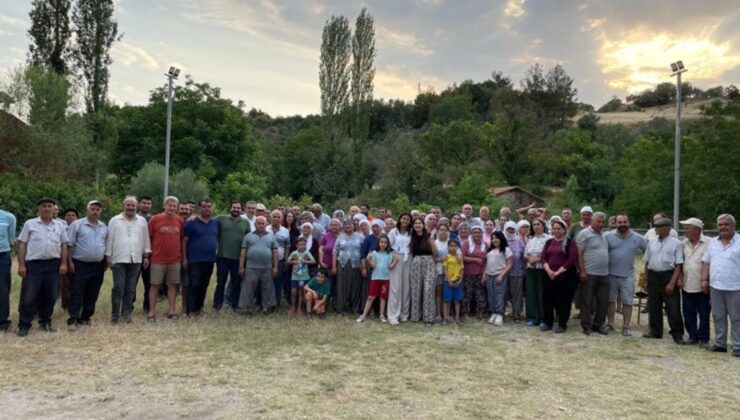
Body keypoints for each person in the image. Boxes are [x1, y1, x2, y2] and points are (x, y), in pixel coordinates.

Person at [16, 198, 69, 336]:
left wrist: (63, 263)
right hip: (34, 265)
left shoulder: (60, 226)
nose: (47, 209)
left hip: (53, 265)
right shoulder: (30, 224)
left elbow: (64, 245)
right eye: (44, 206)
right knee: (29, 296)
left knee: (50, 296)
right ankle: (24, 325)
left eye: (50, 206)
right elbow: (22, 244)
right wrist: (21, 265)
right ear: (38, 209)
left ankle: (45, 322)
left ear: (54, 209)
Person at [107, 196, 151, 324]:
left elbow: (145, 239)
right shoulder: (115, 220)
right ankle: (115, 316)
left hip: (136, 259)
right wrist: (108, 256)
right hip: (119, 259)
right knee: (118, 288)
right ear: (123, 206)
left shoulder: (142, 221)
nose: (130, 207)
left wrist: (146, 255)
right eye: (128, 205)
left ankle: (126, 315)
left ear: (136, 207)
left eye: (133, 205)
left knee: (131, 289)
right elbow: (109, 239)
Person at [701, 214, 740, 357]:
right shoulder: (712, 243)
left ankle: (738, 346)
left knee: (737, 318)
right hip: (715, 286)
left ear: (733, 226)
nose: (723, 227)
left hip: (736, 287)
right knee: (718, 316)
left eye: (726, 224)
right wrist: (704, 279)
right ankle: (720, 343)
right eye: (720, 225)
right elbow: (706, 262)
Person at [66, 200, 108, 328]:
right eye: (93, 209)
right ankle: (73, 318)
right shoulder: (77, 225)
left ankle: (86, 317)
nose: (95, 211)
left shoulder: (103, 226)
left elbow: (105, 245)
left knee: (93, 292)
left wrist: (105, 261)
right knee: (77, 291)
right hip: (80, 264)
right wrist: (69, 262)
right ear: (87, 210)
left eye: (98, 209)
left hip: (98, 265)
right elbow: (69, 245)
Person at [643, 217, 685, 344]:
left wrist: (672, 283)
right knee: (653, 306)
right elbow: (647, 261)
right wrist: (645, 279)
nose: (655, 229)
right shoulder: (651, 242)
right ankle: (655, 331)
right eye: (655, 226)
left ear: (667, 228)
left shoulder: (677, 244)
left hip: (668, 275)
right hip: (653, 275)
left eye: (658, 227)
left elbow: (678, 264)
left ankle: (677, 334)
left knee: (673, 308)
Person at [604, 213, 647, 337]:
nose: (622, 224)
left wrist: (646, 272)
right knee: (610, 301)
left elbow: (648, 251)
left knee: (627, 302)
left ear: (629, 222)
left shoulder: (638, 238)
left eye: (625, 222)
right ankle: (610, 324)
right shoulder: (607, 236)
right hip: (610, 274)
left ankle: (626, 327)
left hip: (628, 275)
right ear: (615, 223)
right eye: (620, 222)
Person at [147, 196, 184, 322]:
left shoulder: (180, 220)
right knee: (155, 285)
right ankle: (151, 312)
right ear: (164, 205)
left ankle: (171, 311)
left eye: (174, 206)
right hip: (157, 259)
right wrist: (148, 255)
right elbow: (148, 237)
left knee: (173, 285)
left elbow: (181, 238)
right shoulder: (155, 219)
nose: (172, 208)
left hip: (175, 259)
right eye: (170, 205)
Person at [541, 219, 579, 333]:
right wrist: (549, 271)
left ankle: (562, 324)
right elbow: (543, 258)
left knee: (564, 301)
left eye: (559, 229)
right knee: (547, 300)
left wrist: (557, 272)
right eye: (554, 229)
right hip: (549, 276)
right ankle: (548, 322)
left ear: (564, 230)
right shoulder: (549, 242)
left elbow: (571, 259)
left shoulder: (570, 243)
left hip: (565, 277)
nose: (556, 231)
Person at [576, 212, 610, 336]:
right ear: (592, 221)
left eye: (602, 222)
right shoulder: (584, 234)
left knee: (603, 301)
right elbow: (579, 254)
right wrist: (582, 271)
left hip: (604, 273)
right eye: (598, 222)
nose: (601, 224)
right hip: (589, 273)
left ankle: (598, 325)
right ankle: (586, 325)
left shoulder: (603, 235)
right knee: (587, 300)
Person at [183, 199, 219, 316]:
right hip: (194, 260)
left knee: (204, 285)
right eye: (204, 206)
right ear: (199, 208)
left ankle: (199, 308)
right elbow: (185, 241)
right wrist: (185, 258)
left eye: (209, 206)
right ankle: (190, 310)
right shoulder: (191, 223)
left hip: (209, 260)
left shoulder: (215, 223)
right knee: (194, 284)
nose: (207, 208)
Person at [213, 201, 250, 311]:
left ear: (241, 210)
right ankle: (217, 305)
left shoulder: (245, 222)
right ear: (230, 208)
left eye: (238, 208)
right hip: (222, 257)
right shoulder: (221, 219)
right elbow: (207, 220)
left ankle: (235, 304)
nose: (236, 209)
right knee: (221, 282)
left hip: (238, 258)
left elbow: (248, 239)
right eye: (234, 207)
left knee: (236, 283)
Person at [238, 216, 278, 315]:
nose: (261, 225)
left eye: (262, 223)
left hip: (267, 267)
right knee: (248, 288)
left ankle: (266, 307)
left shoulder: (271, 237)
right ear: (255, 224)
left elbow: (275, 254)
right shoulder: (248, 236)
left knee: (267, 288)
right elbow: (243, 252)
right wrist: (241, 266)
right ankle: (245, 308)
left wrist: (275, 267)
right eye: (259, 223)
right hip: (251, 266)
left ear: (266, 224)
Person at [679, 217, 710, 346]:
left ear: (697, 230)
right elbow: (680, 262)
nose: (684, 230)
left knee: (704, 313)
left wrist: (706, 280)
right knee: (688, 312)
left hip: (703, 284)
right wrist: (680, 278)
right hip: (687, 284)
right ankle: (692, 336)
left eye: (687, 228)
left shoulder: (710, 242)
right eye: (684, 228)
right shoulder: (683, 243)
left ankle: (703, 338)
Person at [357, 235, 397, 323]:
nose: (383, 244)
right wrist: (369, 259)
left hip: (385, 279)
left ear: (388, 244)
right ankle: (363, 315)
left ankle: (381, 314)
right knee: (371, 297)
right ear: (378, 243)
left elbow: (390, 267)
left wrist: (395, 261)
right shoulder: (374, 253)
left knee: (383, 297)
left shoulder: (389, 254)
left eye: (385, 242)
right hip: (375, 279)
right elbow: (374, 266)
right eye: (381, 242)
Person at [409, 217, 438, 326]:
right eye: (415, 223)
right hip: (416, 262)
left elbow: (435, 252)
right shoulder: (412, 237)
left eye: (419, 223)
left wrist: (432, 242)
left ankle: (429, 318)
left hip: (428, 262)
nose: (417, 225)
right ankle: (416, 316)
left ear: (423, 225)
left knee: (428, 290)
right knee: (415, 289)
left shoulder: (429, 236)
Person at [332, 219, 364, 315]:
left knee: (355, 286)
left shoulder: (360, 237)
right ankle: (342, 308)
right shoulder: (340, 237)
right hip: (342, 264)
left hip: (356, 264)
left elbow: (363, 253)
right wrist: (334, 266)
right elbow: (335, 253)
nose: (348, 226)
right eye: (345, 224)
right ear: (343, 226)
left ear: (353, 226)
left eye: (350, 224)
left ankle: (355, 308)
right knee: (342, 286)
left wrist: (363, 265)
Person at [387, 212, 412, 325]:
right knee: (395, 287)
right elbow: (388, 245)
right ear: (400, 219)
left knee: (406, 287)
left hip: (408, 258)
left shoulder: (411, 233)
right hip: (396, 257)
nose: (405, 221)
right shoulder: (393, 232)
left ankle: (404, 314)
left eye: (407, 219)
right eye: (404, 219)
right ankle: (393, 315)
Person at [524, 218, 550, 327]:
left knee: (542, 294)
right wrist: (529, 259)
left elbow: (549, 254)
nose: (535, 226)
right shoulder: (531, 239)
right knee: (531, 294)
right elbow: (525, 253)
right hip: (530, 269)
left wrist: (537, 259)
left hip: (542, 270)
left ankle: (544, 319)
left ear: (543, 225)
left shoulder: (548, 239)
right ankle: (532, 318)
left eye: (538, 224)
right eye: (533, 224)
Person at [485, 231, 512, 326]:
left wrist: (501, 275)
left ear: (501, 238)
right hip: (489, 275)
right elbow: (486, 264)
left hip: (500, 275)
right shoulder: (489, 251)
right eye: (492, 238)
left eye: (496, 238)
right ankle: (493, 313)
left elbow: (509, 265)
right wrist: (484, 275)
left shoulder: (506, 250)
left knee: (500, 295)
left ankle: (500, 314)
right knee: (491, 295)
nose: (494, 240)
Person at [462, 225, 487, 321]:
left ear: (482, 234)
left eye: (479, 232)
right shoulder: (466, 243)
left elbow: (486, 260)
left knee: (480, 294)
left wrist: (484, 273)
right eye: (475, 232)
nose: (477, 234)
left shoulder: (485, 245)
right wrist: (475, 259)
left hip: (480, 273)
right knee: (467, 294)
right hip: (468, 273)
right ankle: (465, 313)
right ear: (471, 234)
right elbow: (462, 258)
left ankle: (480, 313)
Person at [359, 220, 384, 315]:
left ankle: (379, 310)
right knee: (369, 289)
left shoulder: (384, 238)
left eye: (377, 226)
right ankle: (370, 310)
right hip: (370, 267)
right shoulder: (369, 239)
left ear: (381, 227)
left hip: (382, 268)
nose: (375, 228)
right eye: (373, 226)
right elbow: (363, 254)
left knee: (380, 289)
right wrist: (364, 268)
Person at [267, 210, 291, 306]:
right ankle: (266, 302)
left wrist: (286, 260)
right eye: (274, 216)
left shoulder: (285, 231)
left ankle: (275, 303)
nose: (276, 219)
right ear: (270, 218)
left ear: (281, 219)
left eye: (278, 217)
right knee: (267, 282)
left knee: (278, 282)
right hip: (266, 260)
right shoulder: (266, 229)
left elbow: (287, 246)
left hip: (280, 261)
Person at [287, 237, 316, 316]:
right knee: (293, 292)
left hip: (303, 277)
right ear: (296, 245)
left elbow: (314, 261)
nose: (302, 246)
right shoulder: (294, 253)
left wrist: (305, 261)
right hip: (294, 276)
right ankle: (293, 307)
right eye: (300, 244)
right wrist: (294, 261)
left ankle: (300, 309)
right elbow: (288, 261)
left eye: (303, 244)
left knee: (301, 293)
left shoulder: (306, 253)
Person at [0, 200, 16, 332]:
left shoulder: (9, 217)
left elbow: (11, 240)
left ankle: (3, 321)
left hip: (2, 257)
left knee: (3, 290)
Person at [505, 221, 526, 323]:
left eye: (512, 228)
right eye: (508, 228)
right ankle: (500, 312)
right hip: (503, 272)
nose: (510, 230)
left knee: (517, 294)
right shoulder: (501, 240)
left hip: (517, 272)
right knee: (503, 293)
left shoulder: (519, 242)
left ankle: (516, 314)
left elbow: (523, 257)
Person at [137, 195, 154, 312]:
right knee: (131, 282)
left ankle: (147, 306)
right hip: (134, 254)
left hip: (150, 255)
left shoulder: (154, 219)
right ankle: (128, 305)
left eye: (148, 203)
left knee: (149, 283)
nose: (146, 205)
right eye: (144, 203)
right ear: (139, 204)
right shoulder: (133, 217)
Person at [59, 207, 78, 310]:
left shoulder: (80, 227)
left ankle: (76, 303)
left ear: (77, 217)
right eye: (68, 215)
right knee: (65, 283)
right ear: (65, 217)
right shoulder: (62, 228)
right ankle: (66, 305)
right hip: (64, 258)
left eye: (73, 215)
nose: (71, 217)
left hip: (77, 258)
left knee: (76, 282)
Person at [442, 238, 464, 325]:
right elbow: (445, 269)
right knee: (446, 300)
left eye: (455, 246)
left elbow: (462, 269)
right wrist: (449, 280)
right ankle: (445, 318)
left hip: (458, 281)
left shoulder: (459, 258)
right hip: (448, 281)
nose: (453, 248)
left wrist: (460, 280)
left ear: (457, 248)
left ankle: (457, 318)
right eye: (451, 246)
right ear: (448, 247)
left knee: (457, 301)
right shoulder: (447, 257)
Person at [434, 224, 451, 321]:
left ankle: (447, 314)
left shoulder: (450, 243)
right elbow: (432, 259)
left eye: (445, 230)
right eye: (441, 230)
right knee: (438, 293)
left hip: (450, 272)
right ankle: (438, 313)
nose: (443, 231)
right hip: (438, 271)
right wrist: (441, 259)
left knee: (448, 293)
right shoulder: (434, 243)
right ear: (438, 231)